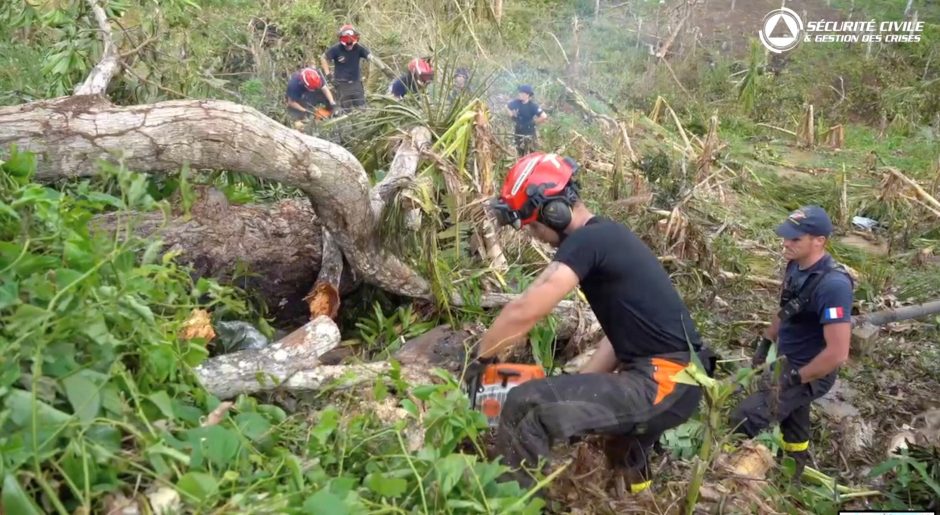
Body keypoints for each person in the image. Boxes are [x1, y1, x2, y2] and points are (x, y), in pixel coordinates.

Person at [474, 152, 715, 493]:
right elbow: (620, 337)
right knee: (621, 447)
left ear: (553, 211)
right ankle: (635, 499)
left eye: (533, 224)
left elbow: (527, 308)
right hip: (674, 378)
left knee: (525, 405)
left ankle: (514, 503)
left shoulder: (588, 241)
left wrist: (481, 359)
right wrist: (580, 383)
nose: (534, 235)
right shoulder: (606, 238)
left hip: (664, 380)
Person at [730, 205, 853, 480]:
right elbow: (785, 310)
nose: (786, 243)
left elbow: (837, 353)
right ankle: (792, 476)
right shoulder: (795, 266)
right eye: (786, 236)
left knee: (744, 418)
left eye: (795, 239)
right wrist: (766, 341)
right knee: (794, 420)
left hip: (811, 370)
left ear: (819, 240)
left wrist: (796, 379)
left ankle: (731, 478)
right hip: (787, 361)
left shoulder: (834, 286)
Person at [320, 24, 373, 109]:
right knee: (345, 109)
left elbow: (371, 57)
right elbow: (323, 57)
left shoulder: (359, 48)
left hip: (356, 83)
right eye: (347, 45)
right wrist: (328, 74)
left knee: (362, 107)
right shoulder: (336, 48)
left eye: (351, 44)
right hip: (341, 84)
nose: (349, 46)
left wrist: (375, 61)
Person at [507, 85, 548, 156]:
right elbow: (507, 107)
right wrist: (512, 116)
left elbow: (544, 116)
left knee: (533, 152)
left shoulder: (532, 106)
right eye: (519, 92)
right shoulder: (516, 102)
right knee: (520, 152)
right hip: (518, 130)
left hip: (529, 132)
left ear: (527, 95)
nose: (519, 94)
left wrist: (532, 123)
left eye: (522, 93)